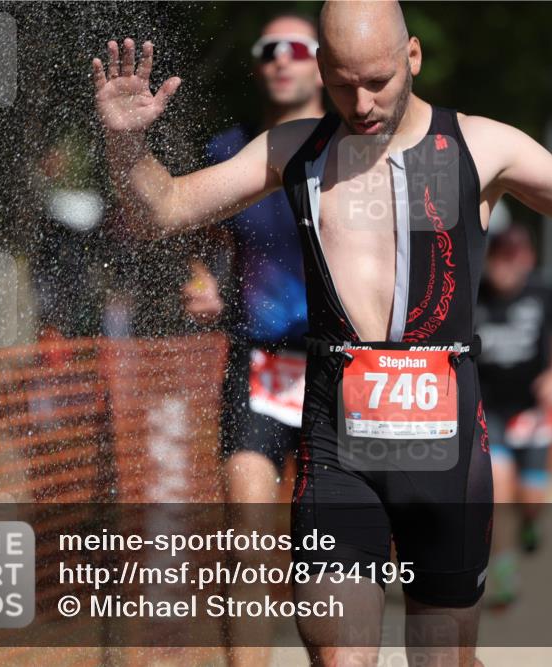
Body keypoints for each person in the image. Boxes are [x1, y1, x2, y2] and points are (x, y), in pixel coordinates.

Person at [92, 1, 552, 663]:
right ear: (321, 71)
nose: (360, 102)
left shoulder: (478, 147)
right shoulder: (295, 150)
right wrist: (125, 144)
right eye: (342, 82)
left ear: (413, 57)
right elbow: (163, 209)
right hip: (339, 453)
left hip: (445, 455)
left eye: (378, 80)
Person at [180, 13, 325, 667]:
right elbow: (200, 236)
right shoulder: (229, 150)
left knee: (328, 548)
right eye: (268, 50)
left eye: (297, 48)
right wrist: (204, 278)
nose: (281, 60)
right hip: (265, 361)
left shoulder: (356, 147)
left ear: (325, 62)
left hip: (342, 366)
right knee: (247, 534)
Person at [474, 222, 552, 607]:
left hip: (533, 408)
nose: (504, 268)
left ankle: (532, 523)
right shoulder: (473, 292)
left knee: (533, 496)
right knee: (499, 486)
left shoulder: (545, 292)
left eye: (512, 259)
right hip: (488, 409)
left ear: (527, 260)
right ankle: (503, 567)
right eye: (498, 258)